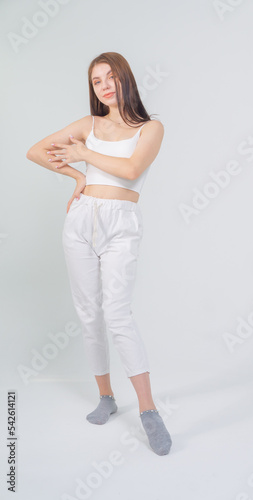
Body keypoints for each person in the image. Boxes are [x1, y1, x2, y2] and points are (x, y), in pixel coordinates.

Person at [26, 52, 172, 456]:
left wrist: (84, 156)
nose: (105, 86)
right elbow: (36, 151)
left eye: (111, 77)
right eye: (96, 81)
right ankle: (106, 397)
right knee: (89, 313)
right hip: (81, 220)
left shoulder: (150, 128)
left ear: (126, 79)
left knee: (118, 313)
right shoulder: (87, 125)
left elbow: (130, 170)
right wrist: (76, 177)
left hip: (121, 223)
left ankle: (148, 410)